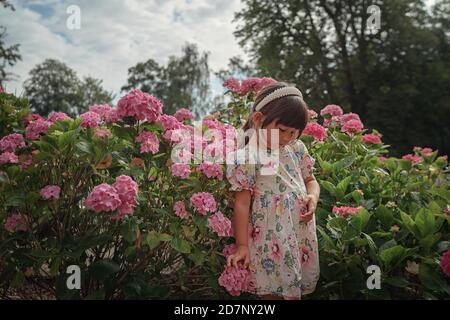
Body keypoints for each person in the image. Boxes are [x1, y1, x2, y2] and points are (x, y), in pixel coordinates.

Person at [225, 81, 321, 300]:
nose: (288, 137)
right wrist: (241, 245)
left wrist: (312, 198)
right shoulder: (249, 155)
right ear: (259, 119)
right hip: (270, 237)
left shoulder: (296, 148)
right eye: (282, 130)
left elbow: (311, 180)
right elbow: (241, 203)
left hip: (297, 231)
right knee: (272, 292)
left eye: (294, 132)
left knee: (295, 287)